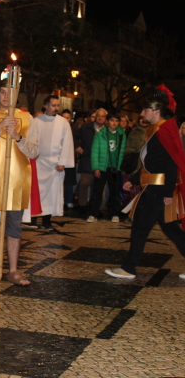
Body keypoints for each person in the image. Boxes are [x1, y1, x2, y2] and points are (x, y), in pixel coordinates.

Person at [105, 90, 185, 279]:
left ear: (156, 111)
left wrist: (167, 193)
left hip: (158, 191)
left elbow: (170, 165)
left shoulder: (162, 132)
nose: (142, 114)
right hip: (156, 189)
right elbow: (151, 163)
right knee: (173, 231)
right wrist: (133, 180)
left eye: (145, 110)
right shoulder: (158, 131)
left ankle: (129, 268)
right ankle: (129, 267)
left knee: (140, 229)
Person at [0, 80, 39, 286]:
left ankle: (12, 270)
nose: (5, 96)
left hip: (17, 179)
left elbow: (35, 151)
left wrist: (18, 137)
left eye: (10, 92)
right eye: (2, 92)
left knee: (14, 227)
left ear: (16, 94)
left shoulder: (27, 118)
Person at [31, 95, 74, 230]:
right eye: (53, 105)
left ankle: (46, 221)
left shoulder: (63, 123)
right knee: (37, 192)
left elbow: (67, 143)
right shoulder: (36, 121)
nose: (56, 108)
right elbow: (31, 140)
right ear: (46, 106)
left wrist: (63, 162)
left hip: (55, 164)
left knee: (51, 194)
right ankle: (32, 220)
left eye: (57, 105)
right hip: (39, 162)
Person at [87, 113, 126, 223]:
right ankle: (92, 214)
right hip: (102, 168)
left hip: (114, 169)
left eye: (116, 121)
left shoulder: (121, 134)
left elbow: (123, 152)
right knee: (97, 191)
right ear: (107, 121)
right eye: (112, 120)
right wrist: (96, 167)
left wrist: (120, 167)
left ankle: (115, 214)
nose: (114, 123)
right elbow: (94, 152)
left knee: (115, 192)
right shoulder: (100, 134)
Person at [75, 108, 107, 211]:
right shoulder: (86, 127)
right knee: (84, 183)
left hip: (102, 161)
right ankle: (82, 205)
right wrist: (77, 146)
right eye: (98, 115)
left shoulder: (108, 129)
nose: (100, 118)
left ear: (106, 118)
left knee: (99, 186)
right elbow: (75, 136)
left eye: (103, 116)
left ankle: (96, 207)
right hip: (87, 159)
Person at [61, 109, 77, 208]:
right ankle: (60, 200)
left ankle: (68, 200)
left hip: (70, 158)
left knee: (69, 182)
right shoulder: (57, 129)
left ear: (70, 118)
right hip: (59, 159)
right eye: (63, 117)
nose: (65, 120)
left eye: (67, 118)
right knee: (60, 181)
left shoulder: (74, 130)